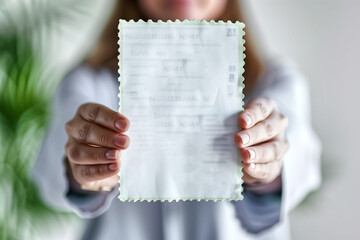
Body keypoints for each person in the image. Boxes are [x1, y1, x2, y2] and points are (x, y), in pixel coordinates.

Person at [32, 0, 321, 239]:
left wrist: (267, 172)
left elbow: (298, 164)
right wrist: (81, 170)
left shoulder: (276, 83)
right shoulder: (89, 83)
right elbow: (53, 173)